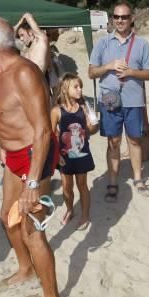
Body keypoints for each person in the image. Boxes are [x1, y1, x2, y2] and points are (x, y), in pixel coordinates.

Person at [0, 16, 63, 297]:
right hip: (12, 155)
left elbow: (41, 131)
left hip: (34, 156)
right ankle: (25, 269)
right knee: (6, 217)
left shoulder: (23, 73)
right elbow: (7, 115)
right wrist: (2, 143)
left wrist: (33, 183)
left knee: (32, 231)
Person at [88, 1, 149, 202]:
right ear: (112, 19)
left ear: (132, 18)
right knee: (113, 141)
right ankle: (113, 181)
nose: (120, 20)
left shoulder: (143, 44)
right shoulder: (102, 43)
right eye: (116, 17)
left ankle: (137, 178)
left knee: (134, 140)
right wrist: (108, 66)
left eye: (124, 17)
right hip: (109, 98)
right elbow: (91, 72)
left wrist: (131, 72)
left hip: (133, 99)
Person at [51, 73, 98, 230]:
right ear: (65, 89)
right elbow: (52, 135)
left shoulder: (84, 108)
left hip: (82, 153)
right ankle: (70, 209)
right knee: (66, 187)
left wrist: (94, 122)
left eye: (81, 87)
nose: (80, 90)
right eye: (76, 87)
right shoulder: (57, 111)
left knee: (82, 185)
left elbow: (91, 130)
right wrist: (57, 156)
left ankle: (85, 215)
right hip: (64, 156)